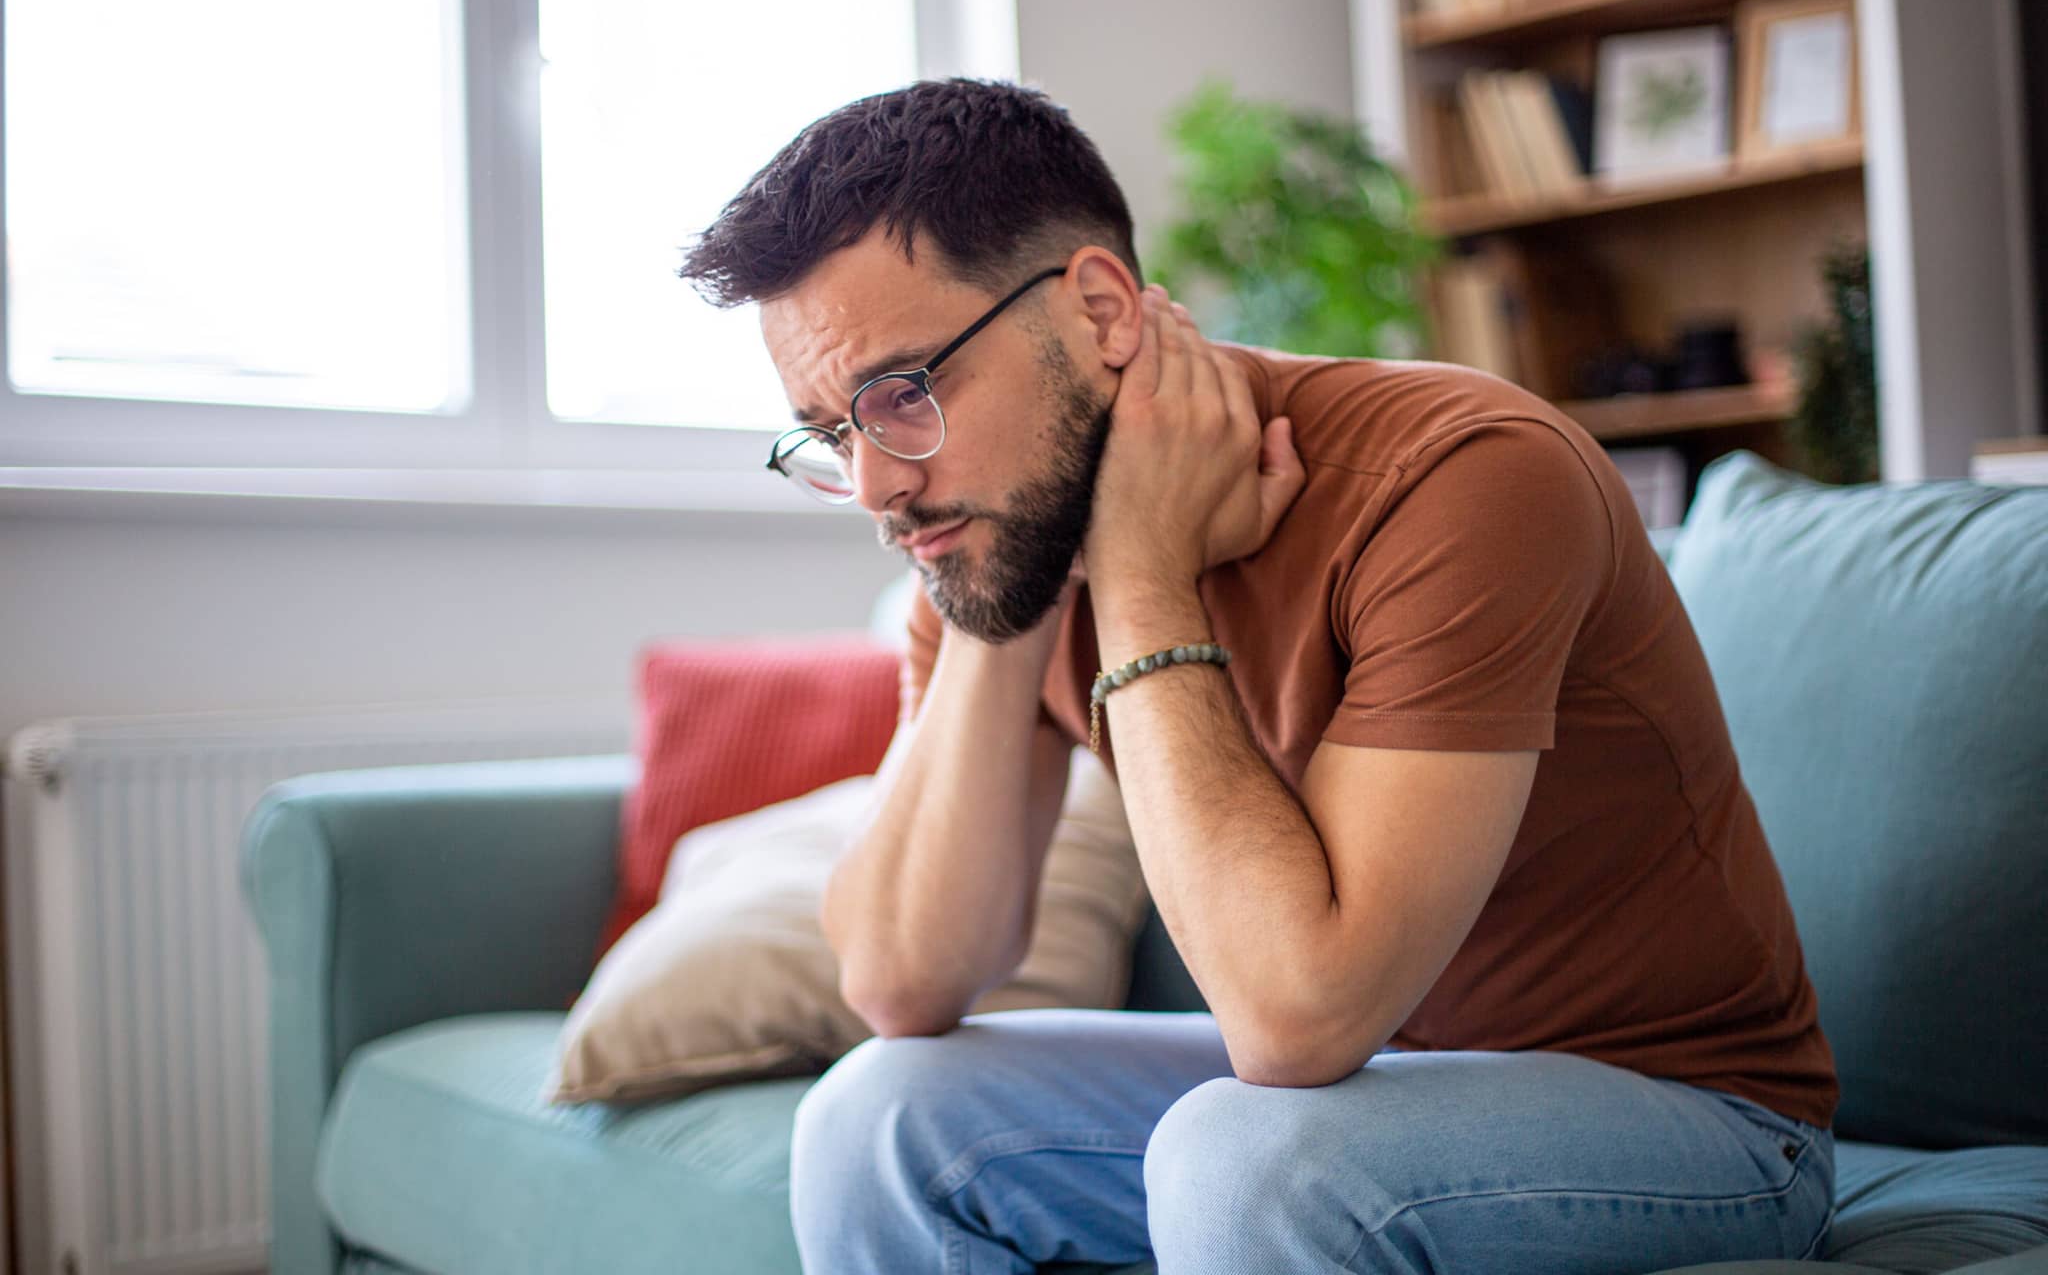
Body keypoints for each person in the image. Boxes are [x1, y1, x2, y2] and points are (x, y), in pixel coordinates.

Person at [678, 78, 1838, 1275]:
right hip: (1365, 1095)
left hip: (1695, 1120)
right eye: (830, 430)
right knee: (874, 1116)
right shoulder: (994, 533)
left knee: (1246, 1155)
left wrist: (1140, 567)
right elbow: (901, 978)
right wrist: (1018, 603)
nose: (874, 484)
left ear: (1099, 310)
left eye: (902, 395)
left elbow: (1299, 1017)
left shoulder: (1464, 474)